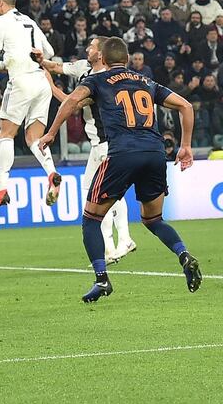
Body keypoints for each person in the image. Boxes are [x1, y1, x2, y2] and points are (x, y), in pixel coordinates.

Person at [40, 37, 201, 302]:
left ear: (103, 58)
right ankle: (184, 255)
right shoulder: (146, 82)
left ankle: (102, 280)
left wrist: (51, 133)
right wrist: (185, 146)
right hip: (154, 153)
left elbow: (70, 102)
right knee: (153, 220)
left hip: (122, 153)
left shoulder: (96, 80)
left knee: (91, 219)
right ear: (127, 60)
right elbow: (186, 105)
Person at [35, 36, 137, 264]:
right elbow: (58, 66)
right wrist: (43, 61)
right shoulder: (84, 67)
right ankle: (113, 246)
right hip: (97, 144)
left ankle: (121, 242)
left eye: (91, 47)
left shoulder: (102, 80)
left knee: (106, 192)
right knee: (93, 190)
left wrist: (51, 88)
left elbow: (74, 105)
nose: (87, 48)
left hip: (106, 141)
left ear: (100, 54)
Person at [0, 0, 61, 216]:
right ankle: (51, 174)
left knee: (6, 134)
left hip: (21, 81)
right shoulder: (29, 20)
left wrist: (4, 62)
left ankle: (1, 188)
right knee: (33, 138)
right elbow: (49, 51)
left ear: (1, 4)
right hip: (41, 82)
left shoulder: (1, 22)